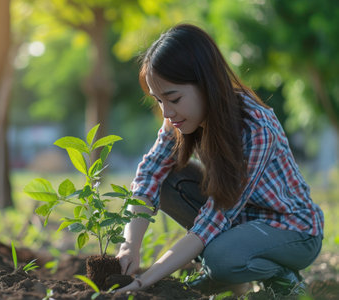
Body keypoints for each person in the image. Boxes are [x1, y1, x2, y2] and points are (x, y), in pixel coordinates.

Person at [115, 23, 324, 296]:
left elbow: (212, 221)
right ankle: (230, 278)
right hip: (240, 222)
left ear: (206, 84)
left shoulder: (256, 127)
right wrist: (129, 245)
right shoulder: (176, 121)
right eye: (158, 101)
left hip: (292, 231)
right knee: (166, 178)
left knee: (220, 258)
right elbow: (149, 175)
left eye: (173, 98)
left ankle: (281, 277)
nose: (167, 112)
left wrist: (145, 281)